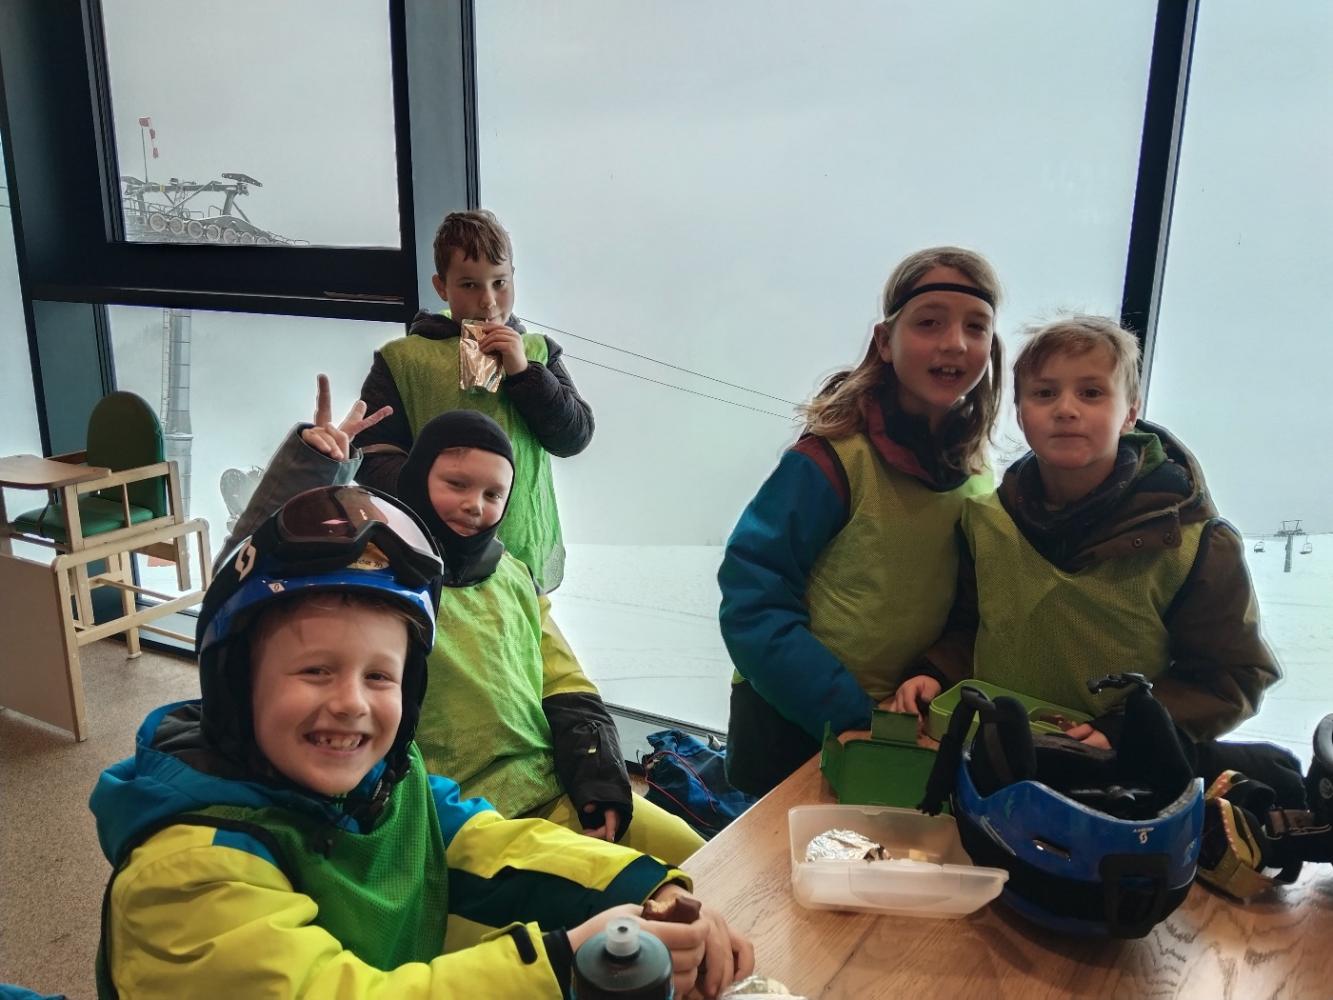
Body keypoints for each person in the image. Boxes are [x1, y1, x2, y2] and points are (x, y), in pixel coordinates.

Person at [90, 486, 751, 997]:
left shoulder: (388, 783)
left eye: (380, 676)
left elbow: (489, 845)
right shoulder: (187, 876)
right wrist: (557, 963)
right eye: (315, 670)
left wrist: (645, 890)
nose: (352, 702)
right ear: (237, 684)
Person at [227, 376, 703, 864]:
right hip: (457, 811)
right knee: (630, 883)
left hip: (549, 785)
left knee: (696, 854)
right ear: (417, 477)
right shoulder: (379, 570)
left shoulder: (511, 573)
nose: (475, 504)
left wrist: (597, 778)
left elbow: (565, 682)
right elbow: (244, 579)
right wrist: (311, 468)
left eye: (494, 494)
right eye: (456, 484)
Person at [892, 315, 1298, 802]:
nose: (1066, 409)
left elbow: (1232, 675)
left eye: (1091, 393)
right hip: (994, 767)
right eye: (1044, 393)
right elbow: (971, 626)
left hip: (1115, 783)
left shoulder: (1194, 545)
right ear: (1019, 412)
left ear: (1130, 414)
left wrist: (1128, 727)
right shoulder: (986, 523)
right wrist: (935, 673)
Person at [719, 247, 1005, 797]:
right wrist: (850, 716)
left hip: (904, 727)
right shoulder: (832, 458)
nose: (954, 343)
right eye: (929, 322)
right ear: (884, 342)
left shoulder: (977, 476)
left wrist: (933, 676)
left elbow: (970, 608)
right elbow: (752, 599)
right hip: (796, 723)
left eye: (976, 327)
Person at [353, 209, 591, 592]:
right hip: (432, 560)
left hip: (524, 560)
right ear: (441, 287)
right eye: (469, 284)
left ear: (514, 276)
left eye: (500, 282)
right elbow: (372, 453)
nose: (488, 301)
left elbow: (574, 437)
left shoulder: (538, 352)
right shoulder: (403, 360)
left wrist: (525, 374)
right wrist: (432, 499)